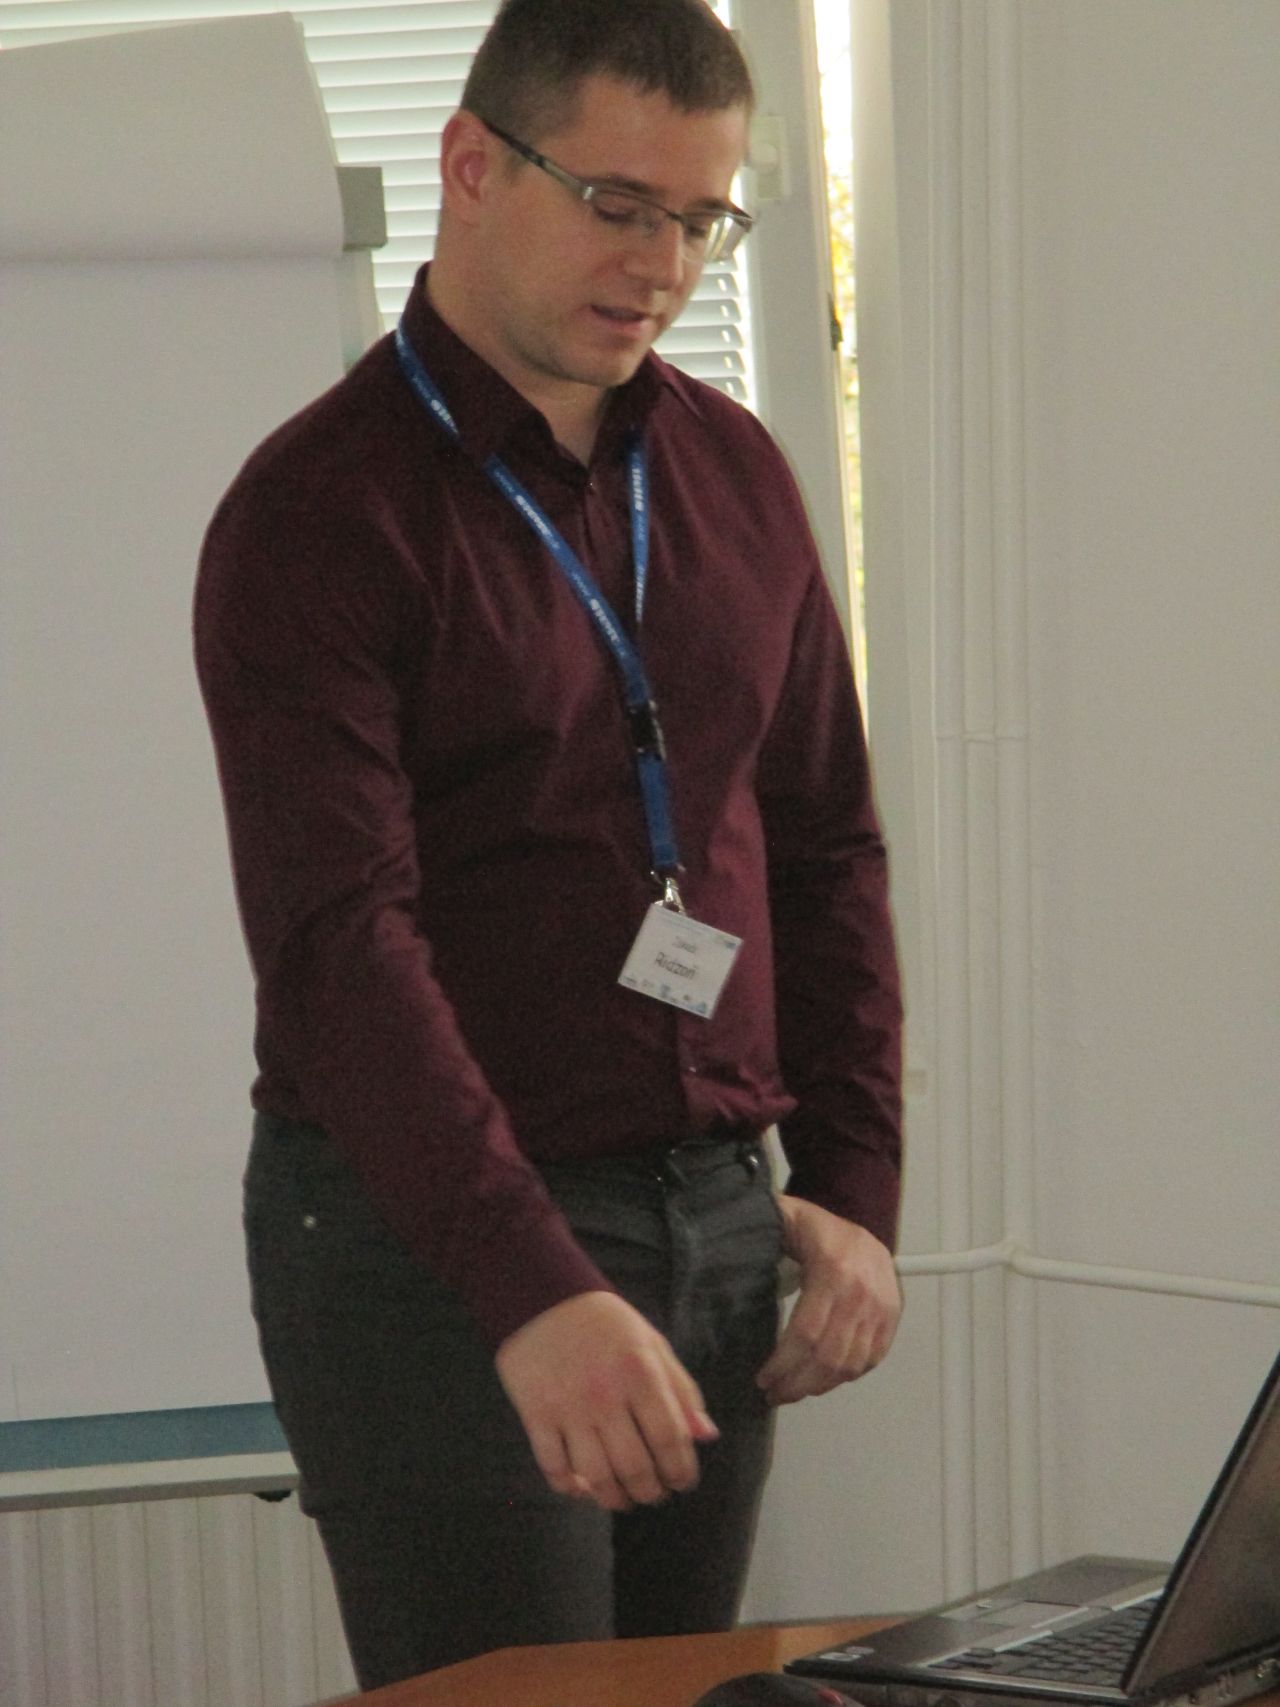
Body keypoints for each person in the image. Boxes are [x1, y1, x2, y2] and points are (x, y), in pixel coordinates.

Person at [194, 0, 904, 1689]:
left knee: (675, 1691)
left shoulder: (734, 473)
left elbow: (822, 842)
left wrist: (851, 1184)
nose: (661, 264)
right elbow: (339, 950)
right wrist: (531, 1287)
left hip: (715, 1212)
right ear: (471, 165)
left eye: (701, 219)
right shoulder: (319, 514)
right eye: (616, 204)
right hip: (431, 1241)